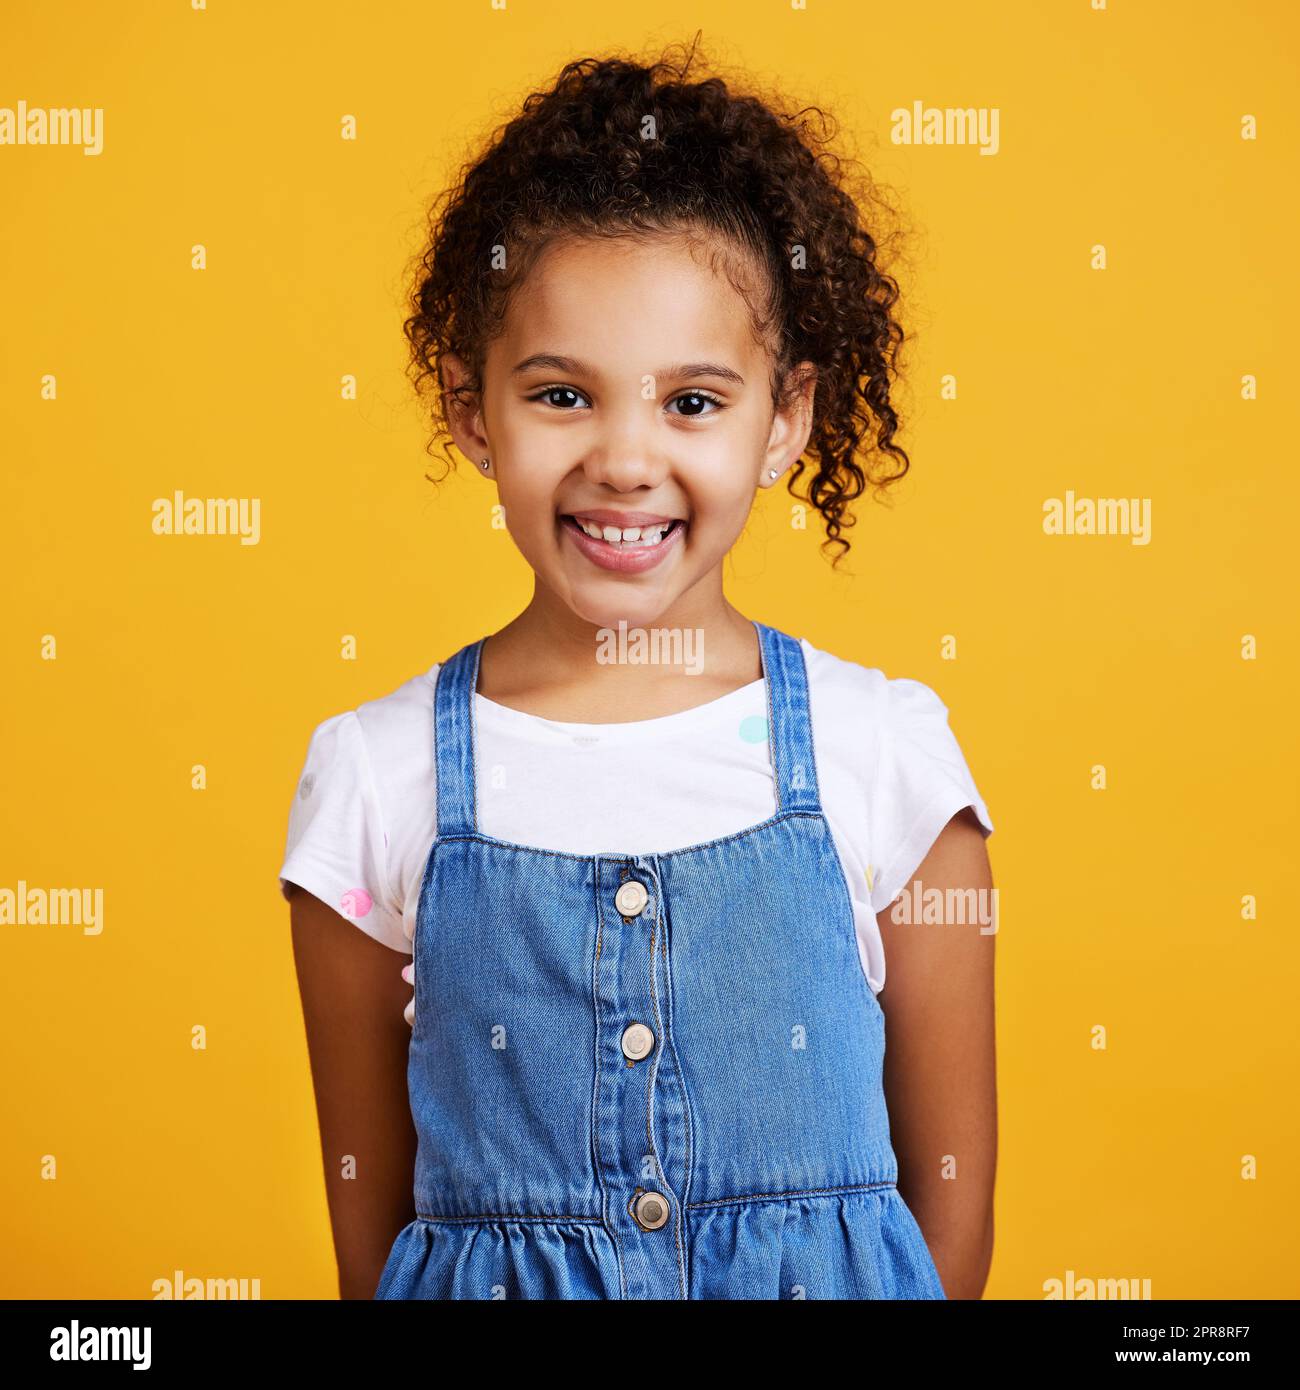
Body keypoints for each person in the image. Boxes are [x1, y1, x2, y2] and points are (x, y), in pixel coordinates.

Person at [280, 37, 997, 1300]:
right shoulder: (374, 777)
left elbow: (950, 1220)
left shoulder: (881, 753)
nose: (623, 458)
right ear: (469, 410)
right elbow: (379, 1242)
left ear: (786, 420)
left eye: (693, 402)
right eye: (561, 396)